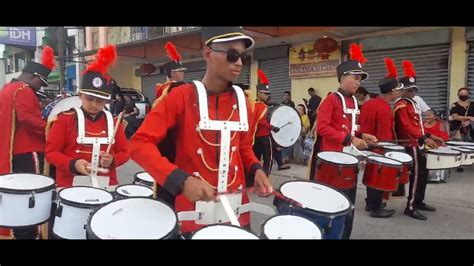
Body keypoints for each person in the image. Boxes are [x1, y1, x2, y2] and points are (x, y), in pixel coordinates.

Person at [129, 27, 273, 236]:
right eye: (232, 55)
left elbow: (241, 147)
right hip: (192, 215)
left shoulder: (245, 101)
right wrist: (181, 180)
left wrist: (256, 169)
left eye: (243, 57)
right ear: (208, 53)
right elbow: (139, 144)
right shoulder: (181, 96)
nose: (239, 63)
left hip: (237, 212)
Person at [308, 43, 378, 239]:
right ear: (343, 78)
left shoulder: (354, 101)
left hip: (349, 161)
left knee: (349, 203)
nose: (358, 82)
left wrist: (363, 135)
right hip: (331, 162)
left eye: (360, 79)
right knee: (330, 204)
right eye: (355, 78)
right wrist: (350, 139)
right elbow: (322, 128)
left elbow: (352, 126)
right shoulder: (331, 99)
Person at [45, 45, 129, 190]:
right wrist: (73, 164)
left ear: (107, 101)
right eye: (89, 99)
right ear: (80, 95)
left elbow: (125, 152)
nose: (94, 105)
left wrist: (113, 160)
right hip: (70, 185)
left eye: (100, 101)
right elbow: (51, 153)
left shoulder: (115, 122)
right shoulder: (65, 119)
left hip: (107, 185)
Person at [0, 45, 55, 239]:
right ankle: (31, 231)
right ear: (33, 77)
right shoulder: (24, 90)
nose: (40, 87)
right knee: (32, 193)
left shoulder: (7, 88)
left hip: (12, 151)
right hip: (28, 150)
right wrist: (52, 128)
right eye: (40, 83)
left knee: (17, 192)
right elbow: (29, 119)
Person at [394, 60, 442, 221]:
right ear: (402, 90)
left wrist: (428, 136)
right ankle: (411, 206)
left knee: (423, 173)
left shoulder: (413, 103)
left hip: (418, 142)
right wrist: (423, 138)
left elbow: (418, 125)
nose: (413, 92)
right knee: (415, 175)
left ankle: (419, 201)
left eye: (415, 89)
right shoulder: (401, 104)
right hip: (410, 144)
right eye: (410, 89)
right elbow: (407, 127)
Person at [359, 57, 403, 218]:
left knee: (371, 175)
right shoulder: (384, 108)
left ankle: (370, 203)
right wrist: (388, 149)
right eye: (398, 90)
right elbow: (384, 134)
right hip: (378, 146)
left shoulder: (370, 103)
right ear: (392, 92)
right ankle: (375, 208)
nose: (398, 93)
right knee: (378, 178)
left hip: (366, 145)